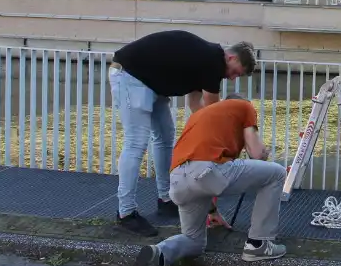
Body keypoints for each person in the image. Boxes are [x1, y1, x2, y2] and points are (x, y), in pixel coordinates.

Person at [127, 94, 287, 266]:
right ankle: (259, 244)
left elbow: (197, 172)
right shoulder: (244, 106)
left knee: (194, 241)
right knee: (276, 173)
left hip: (178, 179)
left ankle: (158, 253)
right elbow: (256, 152)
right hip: (207, 170)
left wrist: (212, 212)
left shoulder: (200, 116)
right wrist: (262, 151)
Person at [109, 31, 256, 236]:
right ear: (231, 57)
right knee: (135, 143)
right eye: (235, 73)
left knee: (165, 137)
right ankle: (125, 214)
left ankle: (166, 199)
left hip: (151, 83)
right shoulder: (214, 61)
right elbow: (214, 113)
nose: (232, 78)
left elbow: (196, 105)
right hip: (131, 76)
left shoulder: (206, 60)